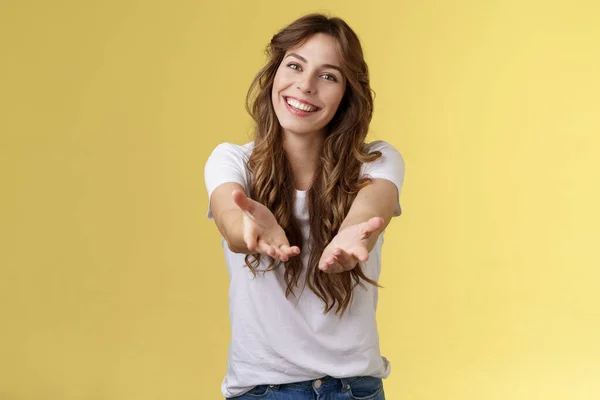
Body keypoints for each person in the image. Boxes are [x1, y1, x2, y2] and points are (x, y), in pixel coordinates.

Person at [204, 13, 405, 400]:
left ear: (347, 94)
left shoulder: (378, 159)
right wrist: (246, 230)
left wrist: (353, 232)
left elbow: (372, 206)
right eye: (295, 66)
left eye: (328, 76)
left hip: (355, 390)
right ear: (275, 74)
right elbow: (231, 219)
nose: (306, 86)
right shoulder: (230, 161)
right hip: (263, 391)